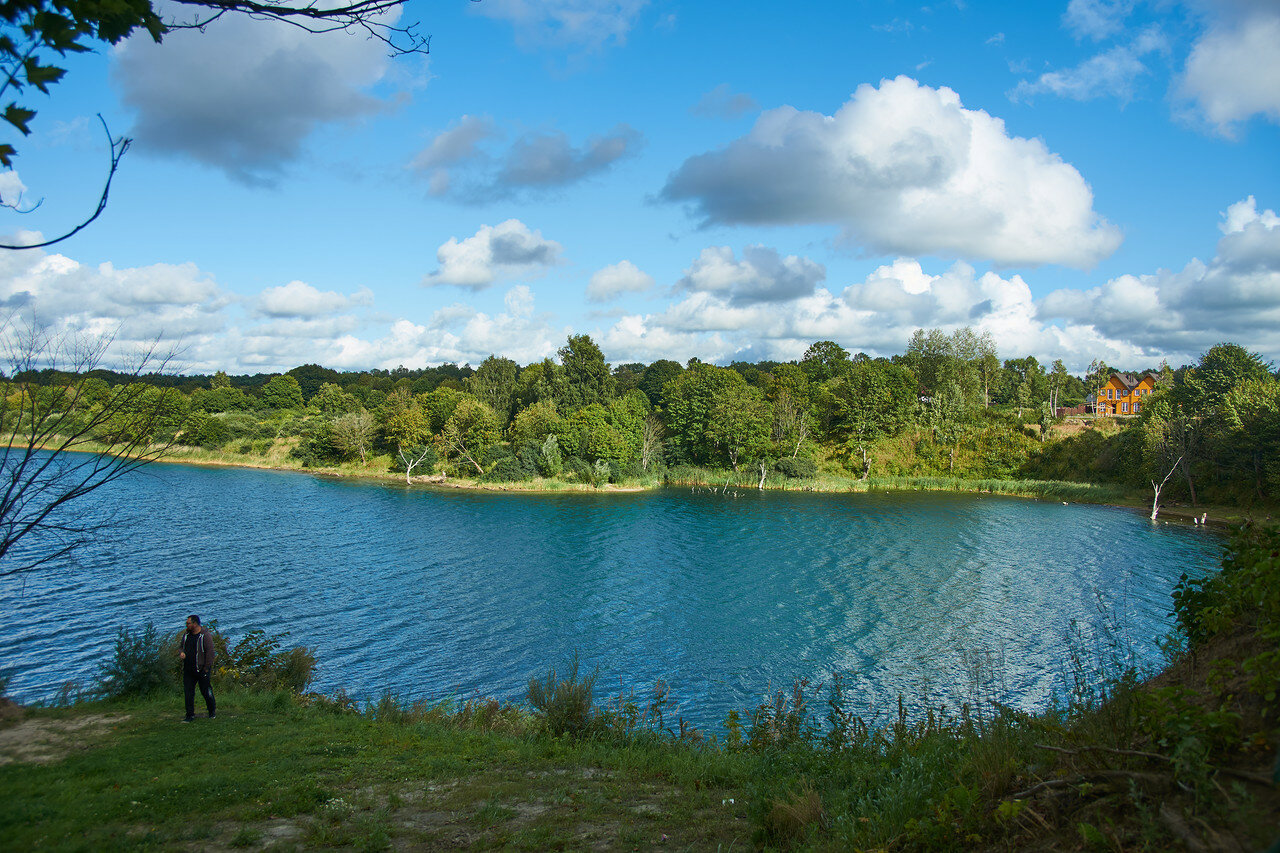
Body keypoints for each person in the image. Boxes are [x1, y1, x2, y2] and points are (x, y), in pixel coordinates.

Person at [179, 614, 216, 722]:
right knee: (188, 693)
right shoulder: (186, 635)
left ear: (195, 624)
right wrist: (181, 653)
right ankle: (189, 715)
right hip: (188, 670)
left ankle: (212, 711)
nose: (186, 625)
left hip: (201, 670)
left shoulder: (205, 636)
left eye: (188, 623)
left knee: (206, 691)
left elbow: (210, 652)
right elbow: (181, 647)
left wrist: (206, 668)